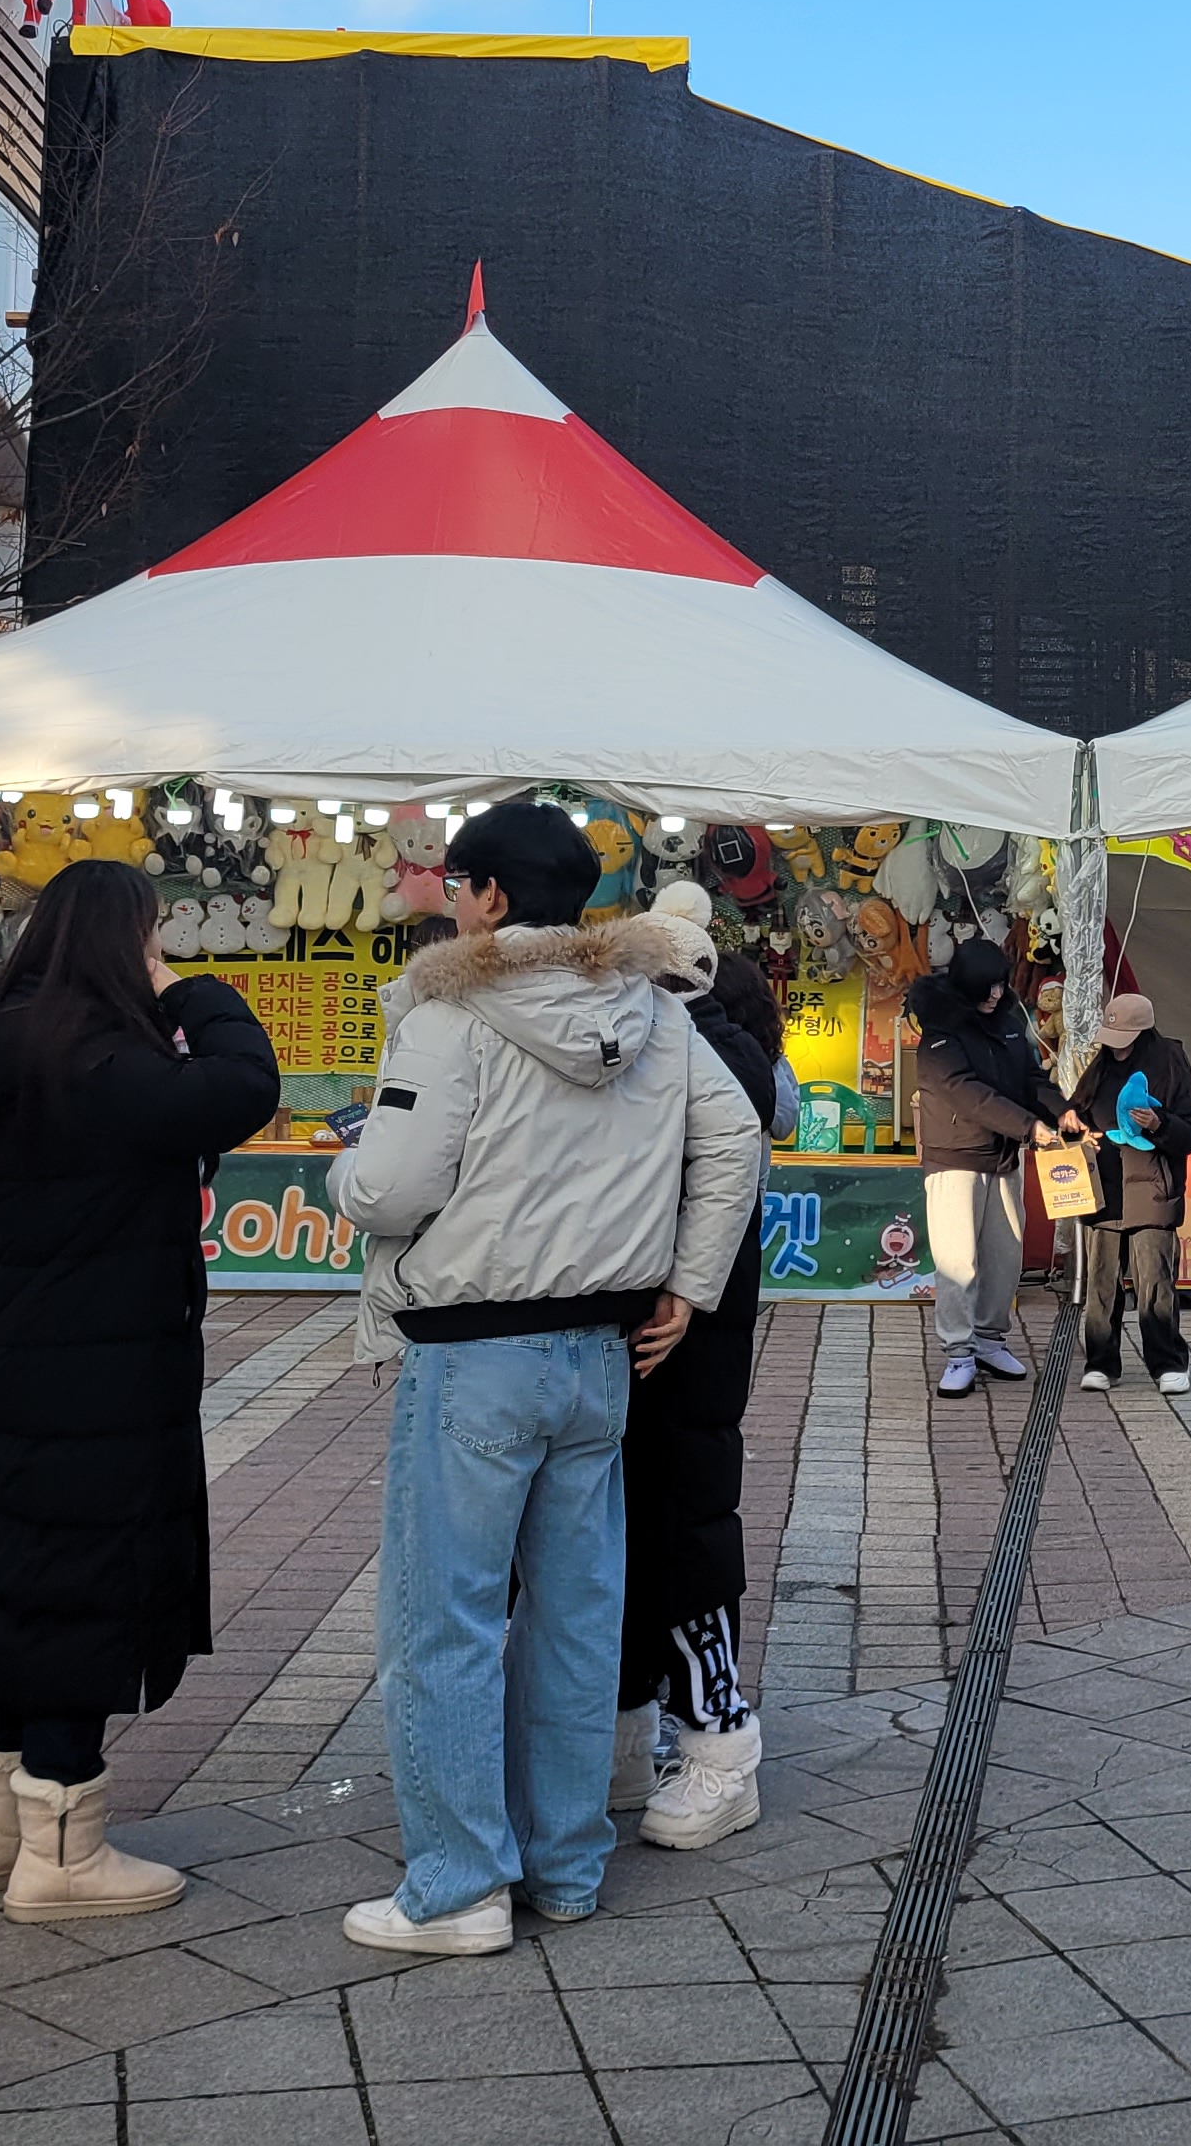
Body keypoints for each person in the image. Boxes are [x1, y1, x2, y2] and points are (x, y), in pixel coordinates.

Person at [330, 802, 761, 1952]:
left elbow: (391, 1190)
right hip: (600, 1353)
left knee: (446, 1623)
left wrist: (344, 1173)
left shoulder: (446, 1011)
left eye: (455, 882)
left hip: (474, 1351)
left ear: (489, 897)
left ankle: (459, 1887)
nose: (449, 900)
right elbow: (737, 1140)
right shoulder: (654, 1008)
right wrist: (688, 1282)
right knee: (575, 1618)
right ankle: (566, 1867)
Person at [0, 858, 281, 1922]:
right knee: (90, 1576)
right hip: (113, 1361)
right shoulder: (102, 1057)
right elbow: (244, 1087)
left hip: (18, 1351)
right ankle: (62, 1849)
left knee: (18, 1567)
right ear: (123, 938)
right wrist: (186, 989)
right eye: (149, 933)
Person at [615, 906, 778, 1853]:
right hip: (654, 1332)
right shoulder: (705, 1045)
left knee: (680, 1532)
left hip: (682, 1336)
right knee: (626, 1535)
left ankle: (719, 1743)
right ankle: (632, 1730)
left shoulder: (697, 1056)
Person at [907, 939, 1070, 1397]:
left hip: (1005, 1157)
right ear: (964, 985)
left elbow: (1031, 1079)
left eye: (1000, 985)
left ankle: (989, 1339)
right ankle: (959, 1351)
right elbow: (966, 1093)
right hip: (955, 1158)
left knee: (1005, 1257)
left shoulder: (1009, 1022)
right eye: (987, 987)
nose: (995, 995)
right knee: (957, 1261)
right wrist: (1028, 1126)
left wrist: (1063, 1111)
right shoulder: (940, 1032)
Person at [1066, 990, 1191, 1391]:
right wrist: (1071, 1124)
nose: (1116, 1048)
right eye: (1110, 1039)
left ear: (1144, 1033)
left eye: (1123, 1039)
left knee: (1155, 1281)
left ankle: (1168, 1364)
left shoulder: (1170, 1064)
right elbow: (1076, 1112)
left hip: (1153, 1191)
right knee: (1101, 1282)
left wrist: (1159, 1123)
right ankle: (1100, 1363)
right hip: (1104, 1191)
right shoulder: (1099, 1068)